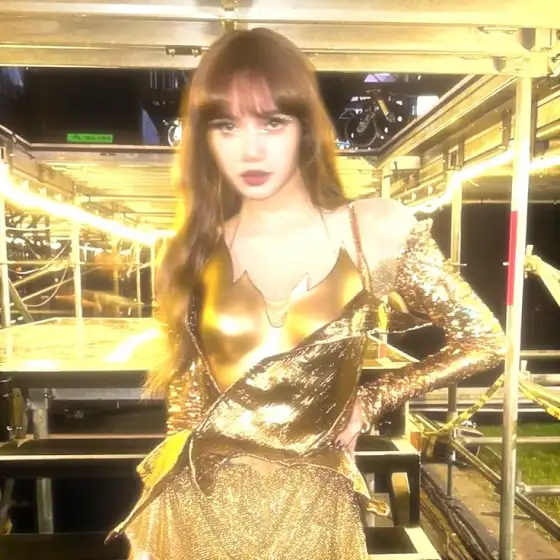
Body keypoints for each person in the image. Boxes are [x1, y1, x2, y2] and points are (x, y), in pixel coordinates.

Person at [110, 28, 505, 560]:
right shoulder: (189, 252)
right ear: (205, 138)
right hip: (202, 513)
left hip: (315, 510)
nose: (250, 149)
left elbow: (484, 340)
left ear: (304, 126)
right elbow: (187, 412)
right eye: (227, 125)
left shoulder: (372, 229)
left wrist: (373, 399)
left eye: (272, 122)